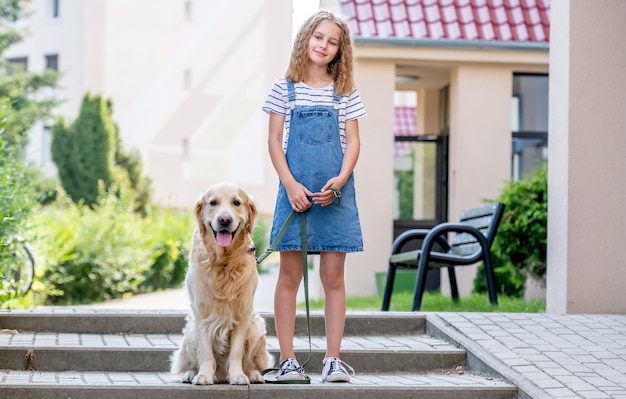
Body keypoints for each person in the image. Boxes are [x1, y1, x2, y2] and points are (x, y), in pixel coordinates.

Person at [261, 10, 366, 383]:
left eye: (332, 41)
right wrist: (290, 185)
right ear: (306, 38)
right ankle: (288, 359)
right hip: (294, 193)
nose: (323, 45)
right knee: (290, 275)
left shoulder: (345, 92)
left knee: (333, 275)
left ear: (340, 51)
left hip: (334, 195)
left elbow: (353, 142)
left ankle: (333, 359)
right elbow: (274, 141)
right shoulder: (283, 88)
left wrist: (339, 180)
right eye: (318, 37)